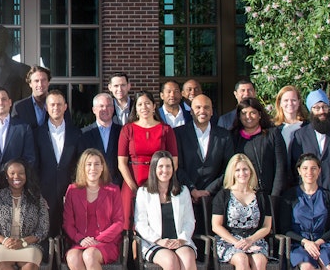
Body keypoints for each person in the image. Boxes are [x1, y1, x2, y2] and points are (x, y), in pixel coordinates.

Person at [134, 151, 203, 270]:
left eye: (168, 166)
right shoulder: (144, 192)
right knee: (171, 263)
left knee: (188, 259)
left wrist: (182, 239)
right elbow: (140, 223)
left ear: (173, 168)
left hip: (179, 239)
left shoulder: (183, 191)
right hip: (155, 242)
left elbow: (189, 220)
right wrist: (159, 240)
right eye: (161, 166)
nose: (164, 170)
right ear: (154, 169)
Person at [63, 148, 124, 270]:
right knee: (72, 258)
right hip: (82, 242)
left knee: (89, 255)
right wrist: (81, 239)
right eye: (89, 164)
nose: (93, 168)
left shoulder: (113, 190)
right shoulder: (73, 190)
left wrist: (99, 238)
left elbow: (119, 222)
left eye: (97, 164)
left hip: (106, 243)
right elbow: (68, 223)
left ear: (103, 167)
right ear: (83, 167)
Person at [211, 153, 272, 270]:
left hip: (254, 239)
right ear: (232, 172)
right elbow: (216, 226)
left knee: (260, 261)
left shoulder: (261, 196)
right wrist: (236, 242)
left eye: (245, 169)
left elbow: (267, 227)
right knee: (242, 259)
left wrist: (251, 240)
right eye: (237, 170)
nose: (242, 173)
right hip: (230, 240)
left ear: (251, 171)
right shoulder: (223, 195)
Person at [117, 91, 177, 227]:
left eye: (147, 103)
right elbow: (122, 163)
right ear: (136, 108)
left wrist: (162, 183)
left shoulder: (166, 129)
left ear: (154, 106)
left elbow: (174, 161)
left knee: (156, 223)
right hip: (133, 181)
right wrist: (133, 187)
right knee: (131, 225)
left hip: (160, 182)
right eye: (140, 104)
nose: (144, 107)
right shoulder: (127, 130)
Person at [288, 89, 330, 194]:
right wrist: (306, 189)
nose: (322, 111)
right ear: (311, 110)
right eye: (317, 108)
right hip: (307, 193)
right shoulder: (300, 135)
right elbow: (296, 165)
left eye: (324, 107)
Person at [35, 89, 82, 234]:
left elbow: (79, 164)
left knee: (71, 233)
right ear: (46, 107)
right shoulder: (36, 133)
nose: (56, 108)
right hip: (45, 192)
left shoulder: (76, 133)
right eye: (52, 104)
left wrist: (75, 188)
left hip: (69, 191)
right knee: (46, 234)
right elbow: (33, 165)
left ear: (65, 107)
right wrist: (37, 193)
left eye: (59, 104)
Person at [174, 94, 233, 209]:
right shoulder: (178, 134)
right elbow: (177, 166)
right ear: (191, 111)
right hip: (186, 197)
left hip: (215, 198)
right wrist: (192, 189)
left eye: (206, 107)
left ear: (212, 112)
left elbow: (228, 167)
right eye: (198, 107)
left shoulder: (224, 135)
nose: (202, 111)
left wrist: (209, 190)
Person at [230, 97, 288, 196]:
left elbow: (281, 167)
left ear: (260, 115)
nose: (248, 116)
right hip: (243, 196)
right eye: (244, 113)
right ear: (239, 116)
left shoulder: (273, 134)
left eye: (253, 112)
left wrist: (274, 196)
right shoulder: (233, 138)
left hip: (270, 194)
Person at [78, 93, 122, 185]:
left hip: (117, 185)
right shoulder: (84, 134)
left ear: (113, 109)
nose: (105, 109)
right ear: (94, 110)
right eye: (101, 106)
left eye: (108, 106)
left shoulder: (122, 132)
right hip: (92, 186)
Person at [272, 85, 307, 150]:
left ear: (299, 102)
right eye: (286, 100)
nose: (290, 103)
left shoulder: (307, 126)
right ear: (280, 103)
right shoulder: (272, 128)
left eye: (293, 100)